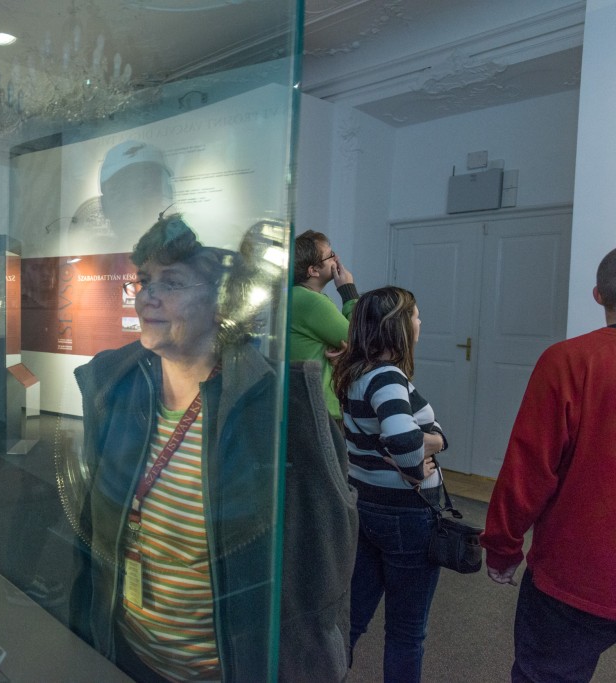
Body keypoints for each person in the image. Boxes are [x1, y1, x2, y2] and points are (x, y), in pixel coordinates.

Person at [69, 213, 278, 681]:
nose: (149, 296)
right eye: (145, 281)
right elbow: (93, 533)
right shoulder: (116, 390)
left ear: (221, 302)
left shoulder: (264, 406)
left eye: (173, 283)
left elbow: (311, 567)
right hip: (126, 655)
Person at [481, 247, 616, 683]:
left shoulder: (568, 361)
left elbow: (528, 469)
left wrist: (502, 547)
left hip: (576, 576)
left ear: (597, 295)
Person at [332, 286, 447, 682]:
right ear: (397, 326)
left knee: (351, 619)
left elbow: (390, 438)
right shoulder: (388, 377)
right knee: (406, 633)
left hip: (367, 506)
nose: (420, 322)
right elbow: (403, 441)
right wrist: (420, 459)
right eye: (415, 316)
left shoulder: (355, 371)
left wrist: (433, 440)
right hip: (406, 514)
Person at [290, 230, 359, 427]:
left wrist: (347, 352)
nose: (337, 259)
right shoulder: (310, 301)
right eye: (331, 255)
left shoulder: (296, 295)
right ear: (313, 270)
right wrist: (348, 291)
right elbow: (363, 338)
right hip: (318, 407)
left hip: (302, 403)